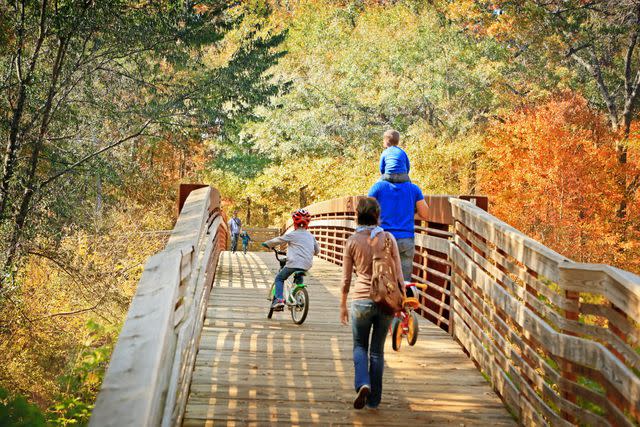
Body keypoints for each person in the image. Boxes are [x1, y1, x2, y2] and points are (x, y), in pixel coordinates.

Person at [340, 197, 404, 409]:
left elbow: (346, 279)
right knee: (377, 351)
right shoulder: (388, 238)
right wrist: (402, 297)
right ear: (377, 215)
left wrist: (342, 304)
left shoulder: (352, 241)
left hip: (361, 300)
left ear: (358, 215)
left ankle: (362, 383)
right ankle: (374, 400)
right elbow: (398, 274)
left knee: (359, 346)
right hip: (385, 299)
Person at [369, 131, 428, 294]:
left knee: (381, 277)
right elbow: (425, 214)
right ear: (405, 166)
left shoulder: (378, 187)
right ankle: (403, 311)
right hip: (405, 240)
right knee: (404, 280)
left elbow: (366, 213)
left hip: (384, 238)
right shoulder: (413, 189)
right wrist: (410, 215)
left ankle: (384, 309)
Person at [261, 209, 320, 311]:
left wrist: (267, 244)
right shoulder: (311, 236)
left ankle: (279, 300)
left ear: (295, 222)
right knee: (299, 274)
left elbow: (278, 240)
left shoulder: (292, 234)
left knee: (279, 278)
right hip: (307, 264)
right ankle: (298, 296)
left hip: (293, 263)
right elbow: (317, 251)